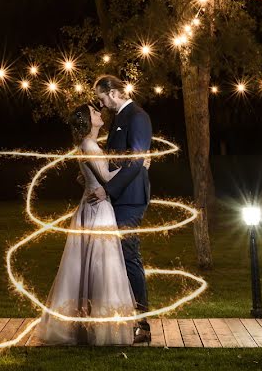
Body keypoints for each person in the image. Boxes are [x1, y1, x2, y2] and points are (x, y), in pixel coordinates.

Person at [35, 103, 136, 346]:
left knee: (92, 266)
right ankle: (101, 328)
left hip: (92, 206)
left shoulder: (88, 145)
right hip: (98, 210)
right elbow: (106, 177)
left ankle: (87, 324)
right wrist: (136, 164)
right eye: (94, 112)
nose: (100, 114)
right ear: (86, 121)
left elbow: (89, 176)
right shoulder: (90, 145)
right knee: (102, 265)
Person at [87, 75, 153, 344]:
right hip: (119, 197)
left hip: (130, 198)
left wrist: (108, 190)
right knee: (117, 257)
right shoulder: (119, 119)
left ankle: (143, 324)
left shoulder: (137, 116)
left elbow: (136, 160)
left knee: (129, 256)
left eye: (102, 99)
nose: (101, 105)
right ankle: (125, 317)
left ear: (113, 93)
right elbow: (118, 160)